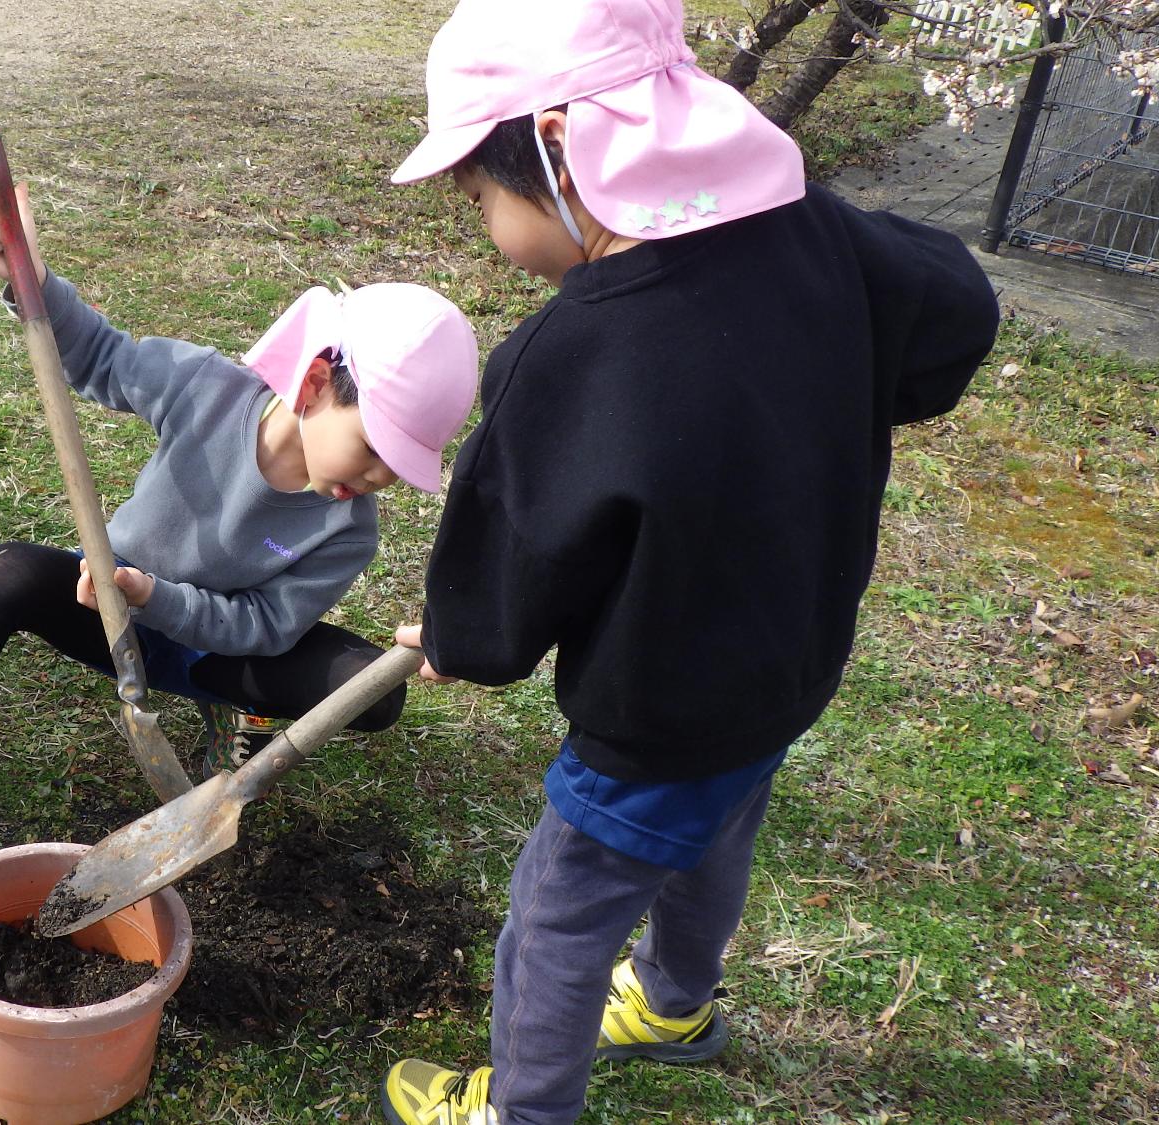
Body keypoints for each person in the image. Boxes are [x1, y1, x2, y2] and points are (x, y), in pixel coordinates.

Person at [375, 0, 1001, 1121]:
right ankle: (671, 1003)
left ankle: (519, 1112)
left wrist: (464, 639)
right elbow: (952, 307)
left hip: (655, 713)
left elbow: (517, 555)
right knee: (714, 829)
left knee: (557, 919)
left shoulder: (578, 351)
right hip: (787, 665)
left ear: (559, 147)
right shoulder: (808, 229)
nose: (485, 227)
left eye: (479, 197)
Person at [0, 187, 480, 860]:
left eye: (399, 466)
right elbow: (103, 357)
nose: (377, 478)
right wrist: (32, 276)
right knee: (4, 573)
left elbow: (262, 626)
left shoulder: (348, 528)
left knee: (373, 694)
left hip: (221, 655)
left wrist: (157, 594)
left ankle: (231, 706)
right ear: (314, 383)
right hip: (109, 614)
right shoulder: (208, 389)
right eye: (374, 449)